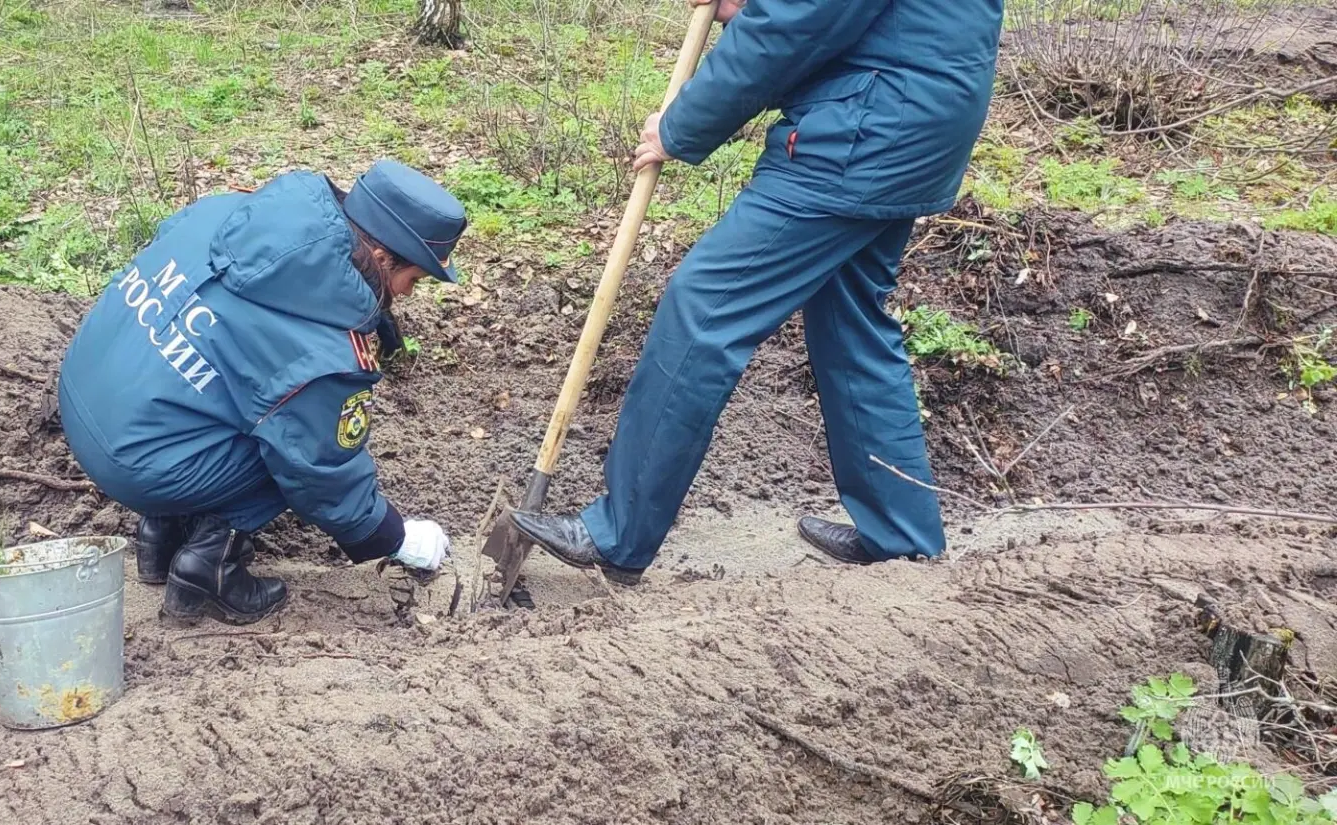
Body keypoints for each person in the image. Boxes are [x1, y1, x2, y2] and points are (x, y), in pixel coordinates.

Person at [509, 0, 1004, 582]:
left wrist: (681, 126)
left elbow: (798, 20)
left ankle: (620, 533)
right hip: (918, 121)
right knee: (852, 324)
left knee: (705, 307)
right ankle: (903, 533)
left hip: (861, 131)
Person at [54, 160, 467, 625]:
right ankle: (208, 566)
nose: (408, 295)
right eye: (412, 280)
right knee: (292, 446)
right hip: (136, 465)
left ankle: (161, 533)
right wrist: (394, 537)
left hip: (82, 394)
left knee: (220, 389)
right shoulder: (323, 344)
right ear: (381, 257)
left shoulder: (231, 212)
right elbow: (321, 470)